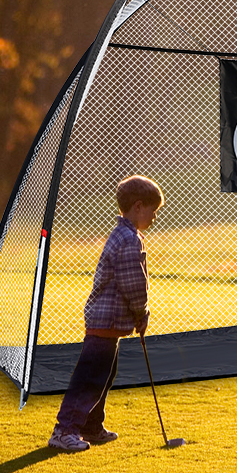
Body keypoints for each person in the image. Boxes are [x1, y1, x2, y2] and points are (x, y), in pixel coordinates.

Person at [48, 175, 164, 452]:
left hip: (109, 321)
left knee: (104, 375)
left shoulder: (127, 235)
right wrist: (142, 313)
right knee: (90, 377)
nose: (155, 217)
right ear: (138, 206)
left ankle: (91, 426)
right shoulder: (128, 239)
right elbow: (133, 283)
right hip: (106, 319)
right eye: (153, 210)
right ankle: (64, 430)